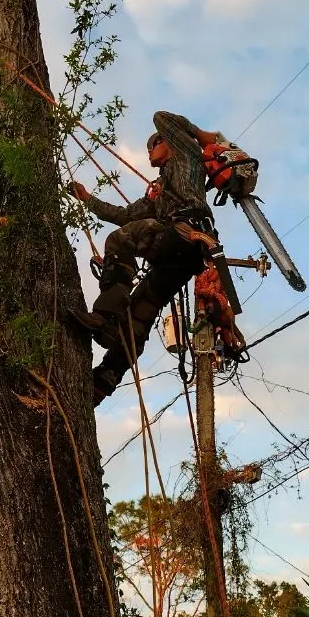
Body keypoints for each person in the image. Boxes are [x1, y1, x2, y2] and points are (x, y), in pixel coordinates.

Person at [68, 110, 221, 406]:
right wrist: (87, 198)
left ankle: (105, 316)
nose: (149, 152)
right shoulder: (161, 193)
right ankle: (104, 380)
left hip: (188, 233)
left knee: (120, 239)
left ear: (169, 143)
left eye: (153, 145)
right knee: (141, 311)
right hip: (181, 257)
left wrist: (203, 139)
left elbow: (162, 117)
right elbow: (124, 215)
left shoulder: (187, 157)